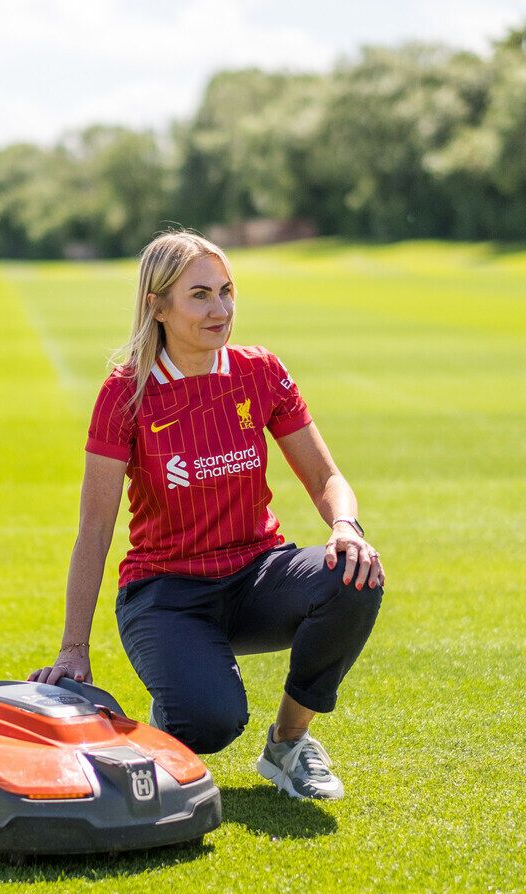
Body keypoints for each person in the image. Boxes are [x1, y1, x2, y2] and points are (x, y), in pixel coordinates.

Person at [27, 229, 384, 800]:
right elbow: (94, 532)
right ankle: (180, 697)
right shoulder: (126, 394)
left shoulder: (259, 371)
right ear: (158, 306)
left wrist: (345, 525)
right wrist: (73, 648)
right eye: (200, 295)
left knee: (354, 575)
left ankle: (289, 744)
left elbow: (327, 479)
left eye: (227, 291)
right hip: (165, 595)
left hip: (257, 575)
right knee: (210, 722)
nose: (221, 309)